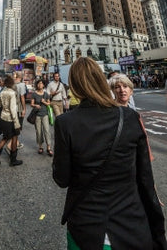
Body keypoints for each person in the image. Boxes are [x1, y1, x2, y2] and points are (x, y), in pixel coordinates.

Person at [53, 57, 167, 250]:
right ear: (101, 80)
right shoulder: (130, 117)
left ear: (74, 85)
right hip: (131, 223)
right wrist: (157, 230)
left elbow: (62, 178)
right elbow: (145, 178)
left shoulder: (65, 123)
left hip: (86, 226)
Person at [0, 75, 22, 167]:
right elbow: (13, 109)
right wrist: (16, 122)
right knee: (14, 137)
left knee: (5, 137)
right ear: (11, 83)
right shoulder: (12, 93)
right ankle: (13, 159)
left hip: (3, 117)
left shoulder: (2, 92)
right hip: (10, 119)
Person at [5, 71, 26, 153]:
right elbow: (22, 98)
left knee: (13, 127)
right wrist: (24, 109)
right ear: (21, 77)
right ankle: (10, 145)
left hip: (11, 109)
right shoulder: (21, 85)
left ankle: (16, 143)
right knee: (18, 128)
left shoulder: (11, 85)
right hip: (18, 109)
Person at [31, 79, 53, 156]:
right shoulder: (34, 94)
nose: (40, 85)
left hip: (45, 114)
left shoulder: (46, 94)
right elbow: (32, 104)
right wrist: (35, 105)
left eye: (41, 83)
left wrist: (44, 102)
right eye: (39, 83)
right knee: (39, 131)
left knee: (47, 130)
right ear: (37, 85)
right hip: (37, 115)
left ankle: (48, 147)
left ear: (44, 85)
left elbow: (49, 104)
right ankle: (40, 147)